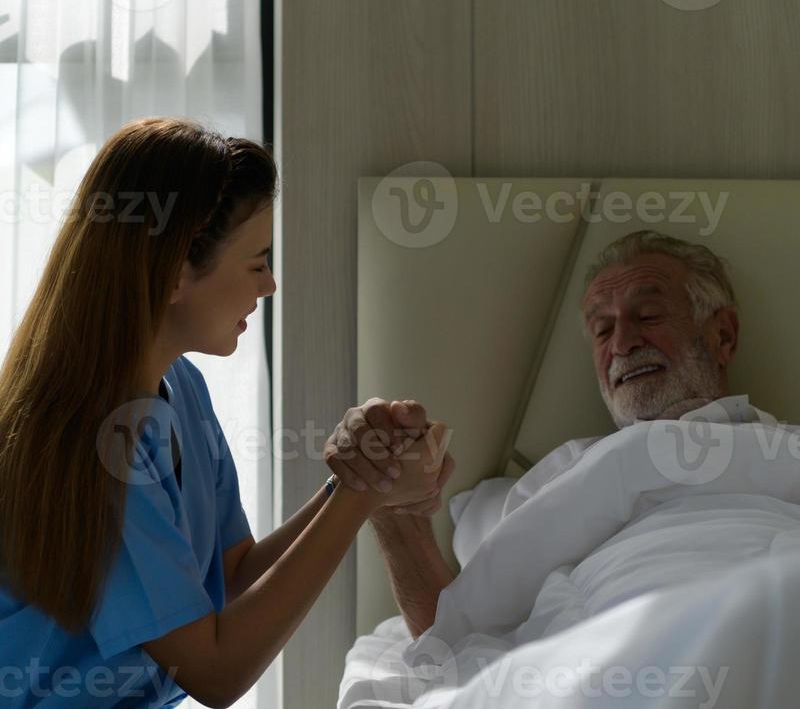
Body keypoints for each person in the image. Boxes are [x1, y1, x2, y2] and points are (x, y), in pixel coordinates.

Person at [0, 116, 452, 709]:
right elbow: (214, 674)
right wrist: (362, 495)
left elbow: (232, 575)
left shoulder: (180, 386)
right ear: (174, 273)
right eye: (256, 262)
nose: (269, 286)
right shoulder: (94, 439)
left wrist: (353, 477)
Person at [325, 230, 751, 640]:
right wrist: (389, 506)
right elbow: (456, 642)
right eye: (602, 330)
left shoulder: (787, 450)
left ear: (723, 336)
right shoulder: (566, 476)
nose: (622, 343)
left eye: (649, 316)